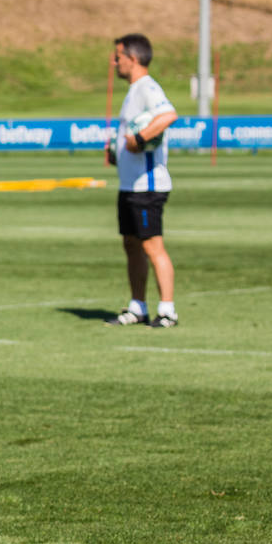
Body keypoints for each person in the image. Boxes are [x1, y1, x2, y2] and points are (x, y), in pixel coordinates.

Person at [105, 33, 179, 328]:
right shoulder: (134, 90)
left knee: (152, 246)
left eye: (117, 57)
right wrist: (117, 151)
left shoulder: (147, 87)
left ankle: (167, 310)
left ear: (132, 59)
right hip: (129, 185)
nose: (114, 62)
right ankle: (138, 307)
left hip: (147, 186)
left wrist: (138, 138)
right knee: (131, 245)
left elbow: (168, 115)